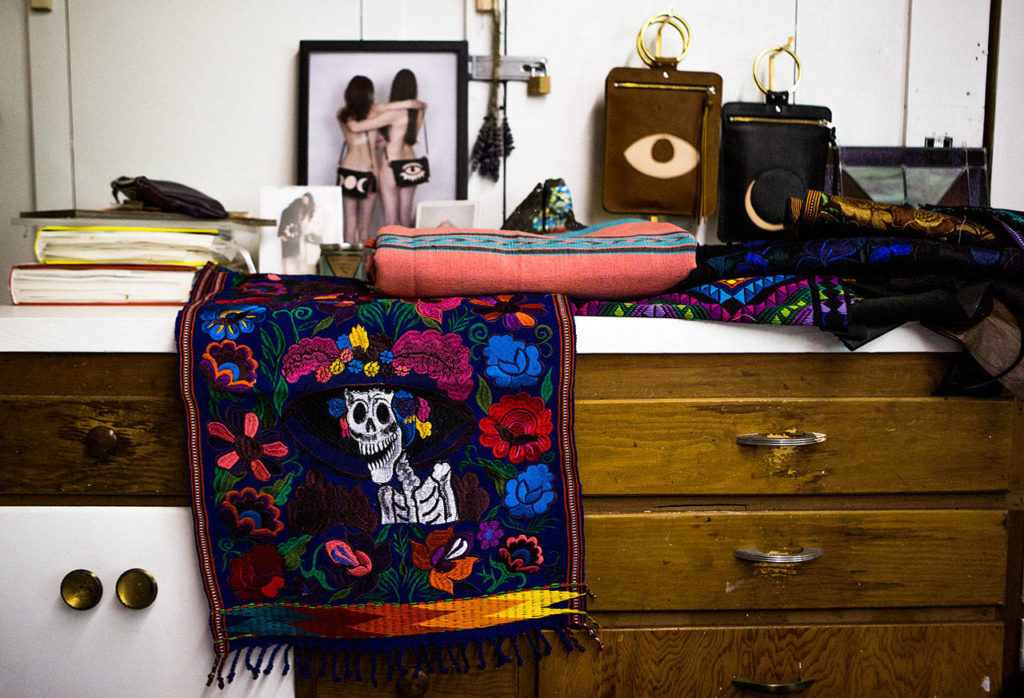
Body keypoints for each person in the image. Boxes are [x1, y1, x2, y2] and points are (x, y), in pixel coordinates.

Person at [336, 75, 424, 245]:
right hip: (370, 171)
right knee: (365, 225)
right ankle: (365, 268)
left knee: (349, 222)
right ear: (370, 93)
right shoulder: (376, 111)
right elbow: (408, 105)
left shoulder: (343, 113)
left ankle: (350, 270)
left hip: (349, 169)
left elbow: (356, 130)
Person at [378, 69, 427, 227]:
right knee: (406, 218)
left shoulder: (389, 110)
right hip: (411, 161)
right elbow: (420, 104)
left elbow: (375, 110)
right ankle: (408, 252)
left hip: (391, 160)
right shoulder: (418, 110)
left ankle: (391, 252)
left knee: (390, 220)